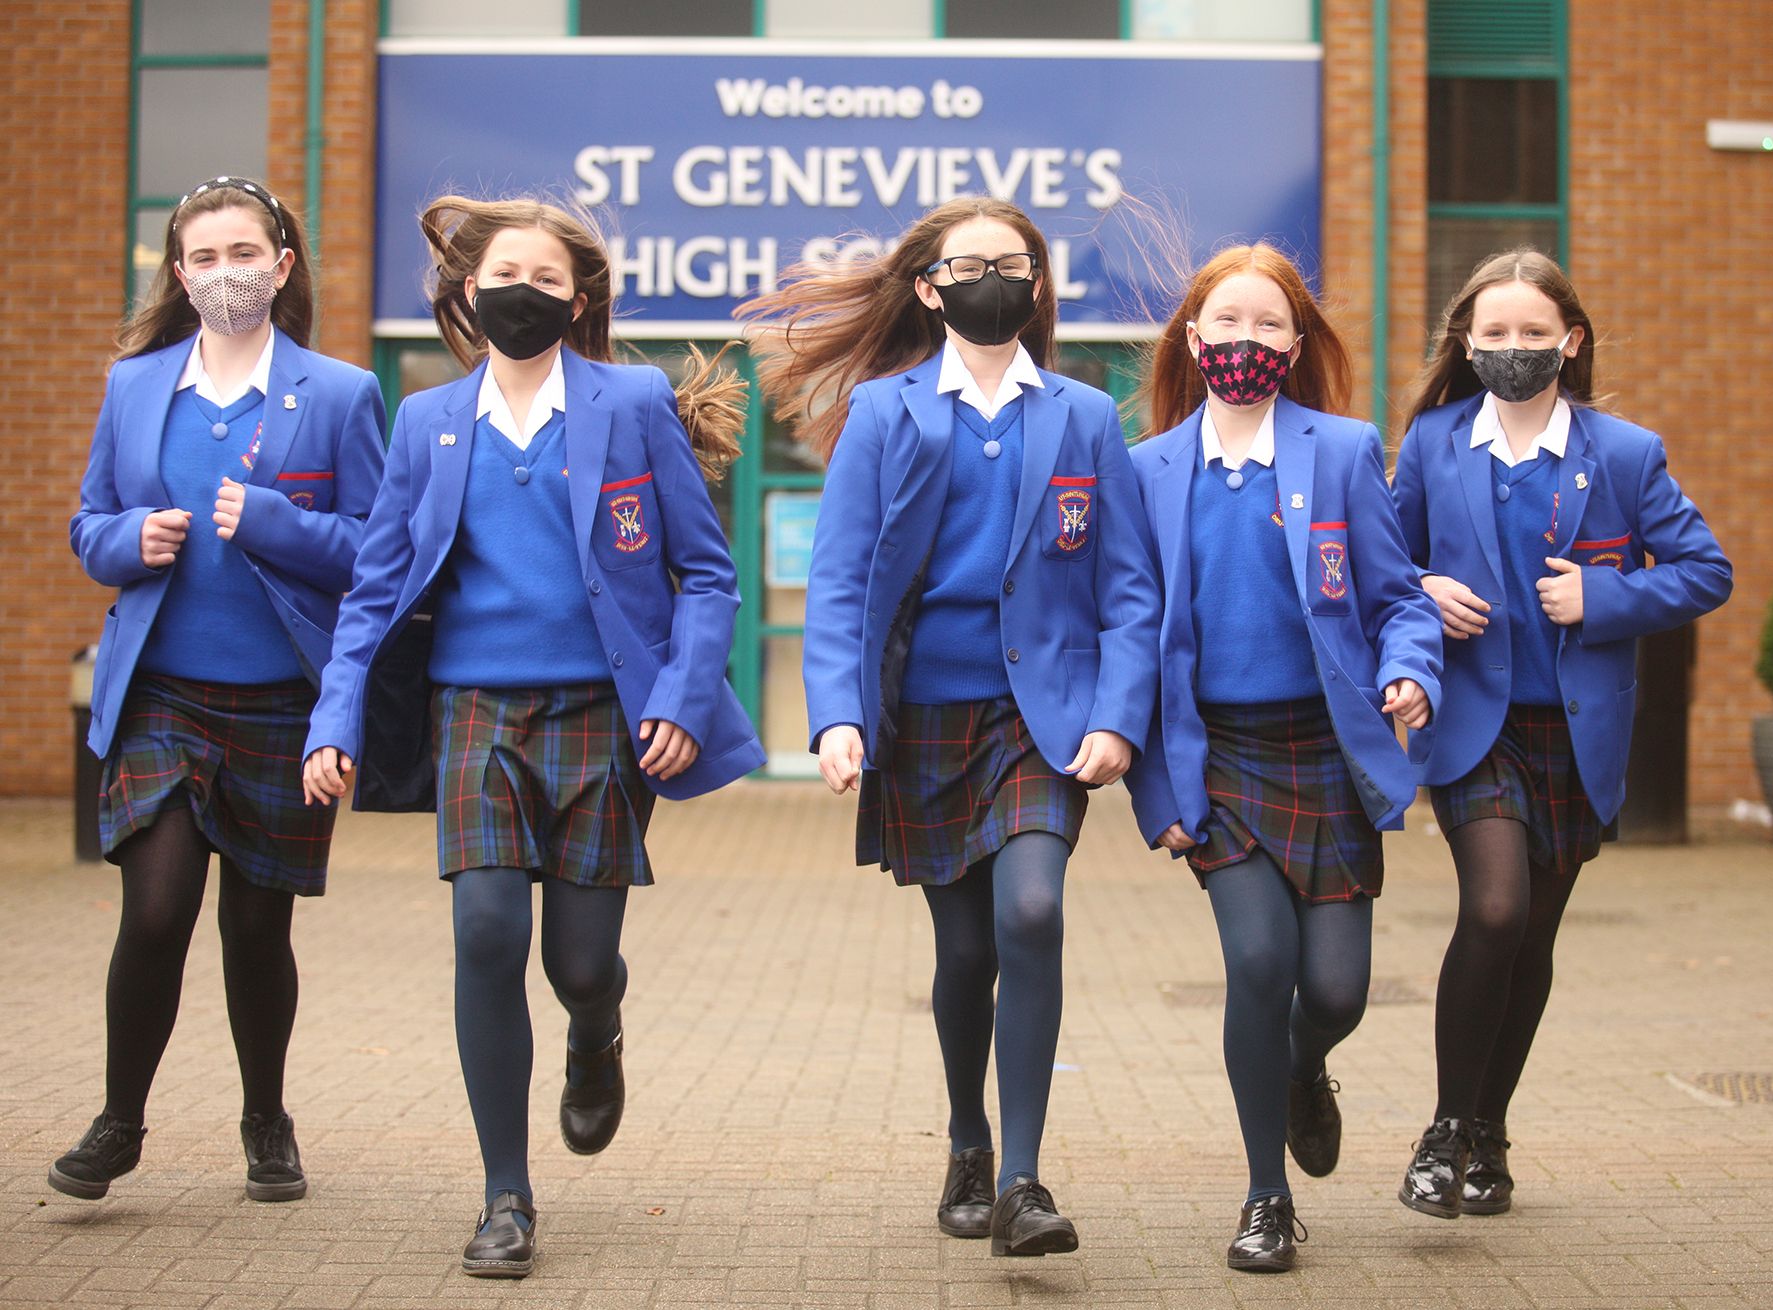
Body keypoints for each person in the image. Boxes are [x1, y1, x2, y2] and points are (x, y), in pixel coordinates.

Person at [301, 195, 764, 1278]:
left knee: (578, 959)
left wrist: (683, 698)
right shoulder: (425, 418)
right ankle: (505, 1192)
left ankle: (595, 1029)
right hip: (474, 713)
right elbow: (372, 592)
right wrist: (337, 715)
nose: (525, 291)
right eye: (506, 273)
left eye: (549, 278)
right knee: (486, 933)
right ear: (469, 291)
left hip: (604, 716)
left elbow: (705, 571)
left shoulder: (635, 402)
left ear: (579, 297)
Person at [740, 196, 1160, 1257]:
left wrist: (1118, 714)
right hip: (924, 713)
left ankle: (1021, 1176)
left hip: (1041, 719)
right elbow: (839, 581)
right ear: (928, 287)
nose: (994, 279)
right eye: (971, 263)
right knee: (965, 944)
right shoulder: (885, 413)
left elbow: (1129, 591)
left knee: (1030, 910)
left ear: (1038, 284)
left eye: (1013, 263)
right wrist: (835, 713)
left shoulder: (1084, 414)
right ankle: (967, 1137)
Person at [55, 176, 386, 1203]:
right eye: (203, 257)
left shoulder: (338, 393)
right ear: (180, 274)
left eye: (243, 252)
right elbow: (88, 523)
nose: (224, 272)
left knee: (256, 927)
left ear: (282, 265)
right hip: (160, 693)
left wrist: (278, 522)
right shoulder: (135, 386)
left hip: (283, 701)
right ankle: (119, 1120)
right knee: (155, 909)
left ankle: (266, 1118)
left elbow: (381, 554)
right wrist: (127, 539)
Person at [1390, 248, 1731, 1218]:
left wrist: (1608, 593)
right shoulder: (1432, 443)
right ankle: (1447, 1129)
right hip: (1475, 730)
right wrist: (1422, 587)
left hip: (1579, 738)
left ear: (1569, 341)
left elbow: (1706, 570)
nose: (1513, 349)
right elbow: (1380, 558)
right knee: (1494, 909)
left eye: (1534, 333)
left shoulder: (1624, 454)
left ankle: (1492, 1130)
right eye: (1493, 334)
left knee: (1532, 937)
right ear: (1467, 340)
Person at [1124, 242, 1440, 1271]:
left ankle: (1304, 1068)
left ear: (1296, 344)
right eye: (1228, 323)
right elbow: (1133, 635)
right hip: (1217, 757)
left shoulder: (1343, 451)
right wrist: (1152, 782)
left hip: (1327, 753)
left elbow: (1397, 597)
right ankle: (1267, 1196)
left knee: (1337, 991)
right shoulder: (1148, 470)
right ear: (1193, 337)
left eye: (1269, 325)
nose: (1246, 341)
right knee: (1257, 963)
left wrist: (1410, 670)